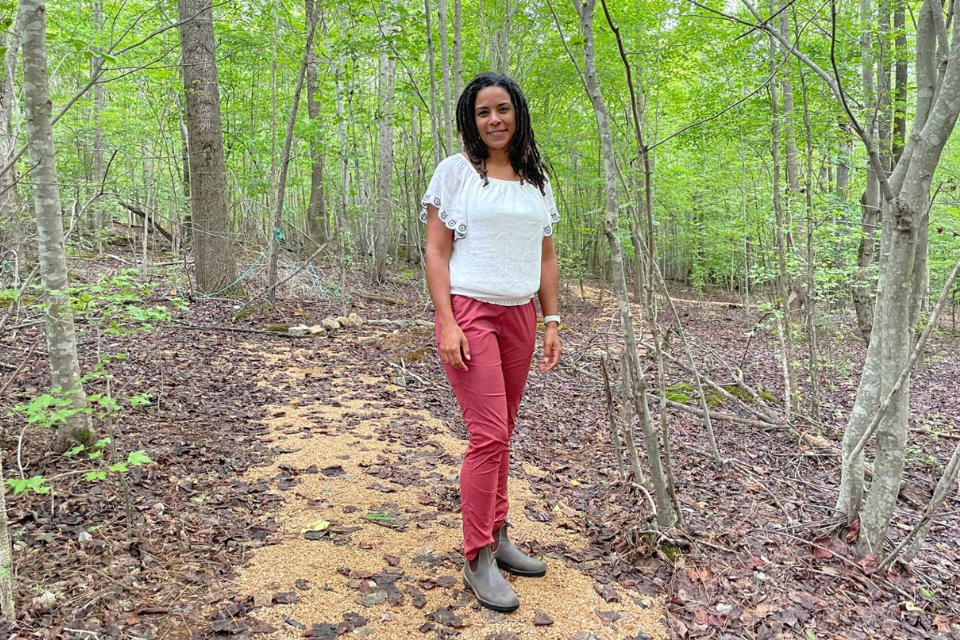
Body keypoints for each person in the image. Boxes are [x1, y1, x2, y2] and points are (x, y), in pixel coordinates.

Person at [420, 72, 561, 613]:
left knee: (505, 431)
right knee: (488, 434)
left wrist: (552, 320)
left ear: (517, 113)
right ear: (471, 119)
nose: (494, 120)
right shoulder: (455, 173)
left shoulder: (535, 178)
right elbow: (436, 251)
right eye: (483, 112)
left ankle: (499, 537)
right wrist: (447, 320)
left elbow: (546, 256)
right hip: (470, 311)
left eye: (502, 109)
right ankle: (477, 552)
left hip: (522, 314)